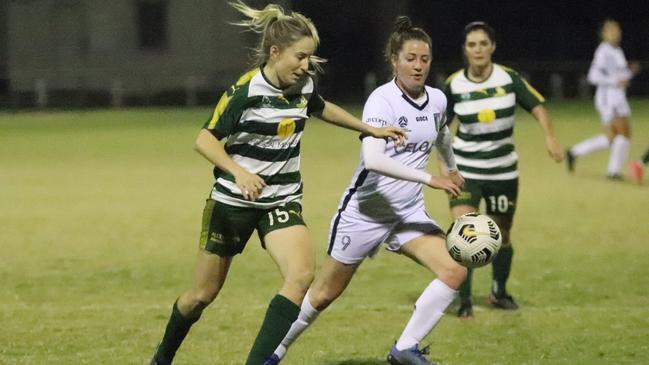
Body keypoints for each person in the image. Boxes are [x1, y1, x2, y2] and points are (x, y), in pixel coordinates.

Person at [148, 2, 406, 365]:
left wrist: (370, 128)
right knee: (201, 296)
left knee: (301, 276)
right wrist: (239, 172)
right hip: (233, 203)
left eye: (309, 57)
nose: (306, 65)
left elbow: (320, 107)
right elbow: (204, 139)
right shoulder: (245, 92)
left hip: (280, 200)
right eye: (300, 57)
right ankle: (161, 358)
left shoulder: (304, 84)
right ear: (275, 52)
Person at [265, 16, 466, 365]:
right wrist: (431, 180)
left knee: (454, 270)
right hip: (365, 212)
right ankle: (272, 353)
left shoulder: (436, 100)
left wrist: (450, 166)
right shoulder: (382, 100)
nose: (418, 66)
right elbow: (372, 159)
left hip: (407, 213)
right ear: (394, 60)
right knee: (325, 293)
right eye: (410, 59)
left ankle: (404, 349)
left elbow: (442, 135)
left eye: (424, 59)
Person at [442, 21, 564, 319]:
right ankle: (465, 300)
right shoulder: (454, 84)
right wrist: (446, 168)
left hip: (503, 172)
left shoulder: (509, 79)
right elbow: (441, 129)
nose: (478, 50)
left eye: (483, 43)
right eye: (472, 45)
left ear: (492, 47)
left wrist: (549, 136)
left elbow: (537, 106)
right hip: (467, 169)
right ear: (465, 50)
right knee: (464, 231)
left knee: (502, 235)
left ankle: (498, 291)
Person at [566, 19, 641, 180]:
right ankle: (613, 172)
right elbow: (593, 76)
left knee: (612, 138)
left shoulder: (617, 50)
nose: (616, 33)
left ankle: (574, 152)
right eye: (612, 31)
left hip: (617, 97)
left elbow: (617, 75)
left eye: (618, 30)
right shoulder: (603, 51)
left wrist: (629, 72)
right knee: (624, 135)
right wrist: (615, 81)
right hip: (609, 99)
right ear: (604, 34)